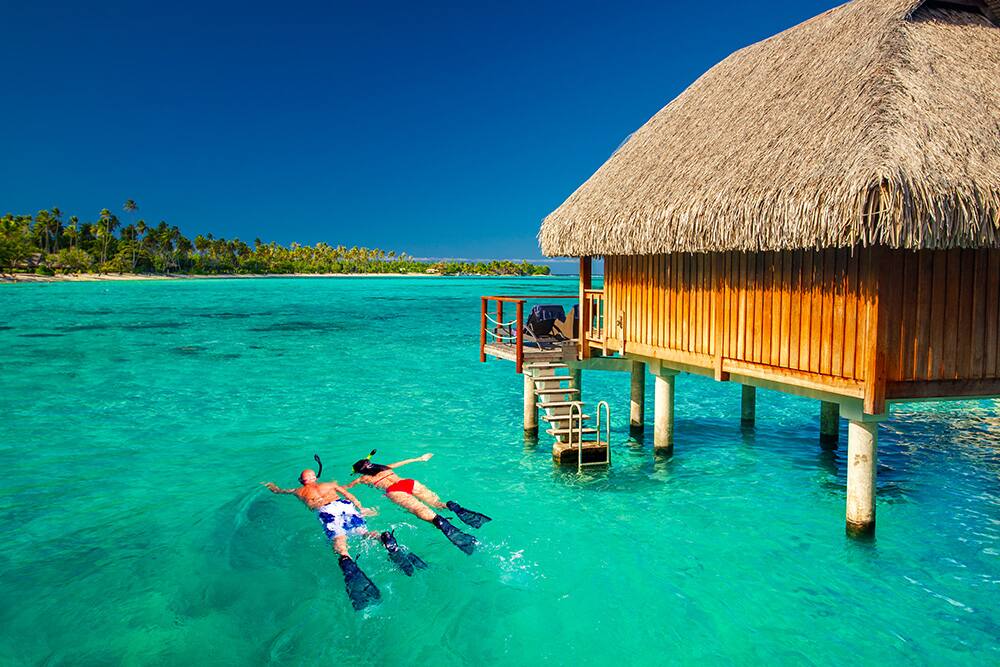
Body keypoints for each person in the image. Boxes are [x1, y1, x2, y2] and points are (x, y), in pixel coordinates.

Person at [262, 468, 425, 610]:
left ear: (301, 480)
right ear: (315, 478)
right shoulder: (330, 484)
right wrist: (362, 508)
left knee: (339, 540)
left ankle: (346, 559)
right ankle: (383, 539)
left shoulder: (298, 490)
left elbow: (279, 490)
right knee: (364, 532)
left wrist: (271, 486)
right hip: (343, 505)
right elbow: (348, 494)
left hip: (326, 512)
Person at [345, 451, 491, 555]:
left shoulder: (363, 479)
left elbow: (346, 488)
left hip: (394, 491)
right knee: (437, 503)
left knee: (421, 511)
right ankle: (450, 506)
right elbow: (404, 461)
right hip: (408, 483)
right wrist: (420, 458)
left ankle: (438, 521)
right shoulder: (386, 468)